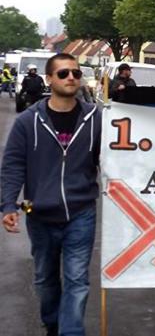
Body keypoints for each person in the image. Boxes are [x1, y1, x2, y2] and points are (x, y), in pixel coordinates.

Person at [2, 53, 102, 336]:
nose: (71, 77)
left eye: (75, 73)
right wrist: (8, 204)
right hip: (40, 215)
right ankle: (53, 324)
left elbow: (122, 154)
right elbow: (12, 165)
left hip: (81, 214)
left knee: (77, 280)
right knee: (45, 280)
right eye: (63, 73)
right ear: (49, 79)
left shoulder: (96, 119)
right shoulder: (28, 121)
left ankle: (70, 332)